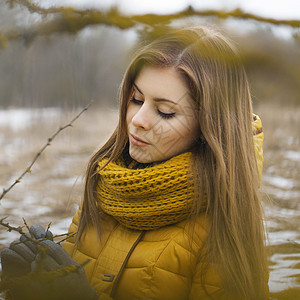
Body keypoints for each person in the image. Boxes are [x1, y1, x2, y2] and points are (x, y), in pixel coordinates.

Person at [0, 25, 268, 300]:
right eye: (136, 99)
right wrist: (28, 287)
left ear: (210, 126)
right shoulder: (105, 184)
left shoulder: (226, 222)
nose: (138, 119)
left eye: (165, 112)